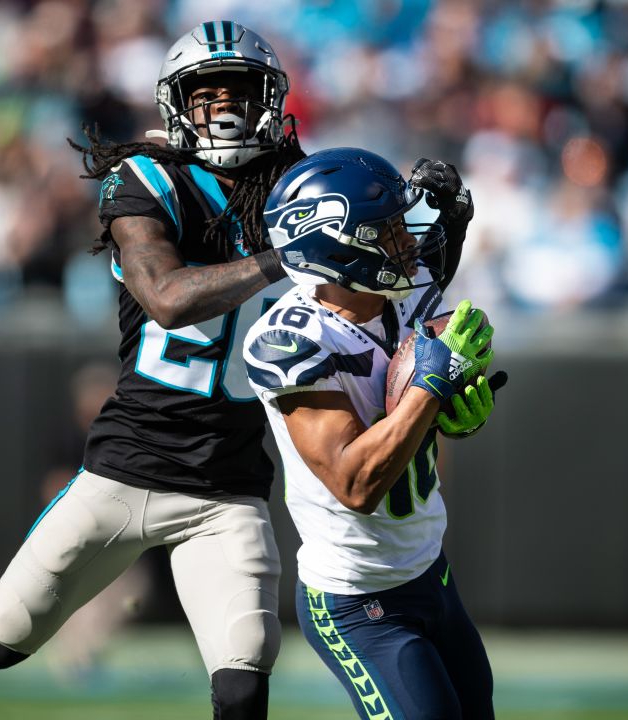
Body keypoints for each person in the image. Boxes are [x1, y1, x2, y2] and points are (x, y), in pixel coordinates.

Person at [0, 21, 305, 718]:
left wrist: (434, 223)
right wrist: (283, 256)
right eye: (206, 94)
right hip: (123, 469)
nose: (223, 108)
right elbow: (166, 299)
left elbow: (382, 256)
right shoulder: (144, 178)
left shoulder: (298, 186)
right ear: (177, 105)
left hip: (228, 488)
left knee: (246, 674)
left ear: (271, 100)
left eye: (239, 91)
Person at [243, 148, 499, 719]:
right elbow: (356, 484)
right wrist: (431, 389)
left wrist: (455, 412)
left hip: (430, 568)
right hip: (359, 599)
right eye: (385, 232)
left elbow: (424, 398)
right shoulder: (288, 340)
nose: (405, 243)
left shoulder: (404, 290)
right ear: (335, 245)